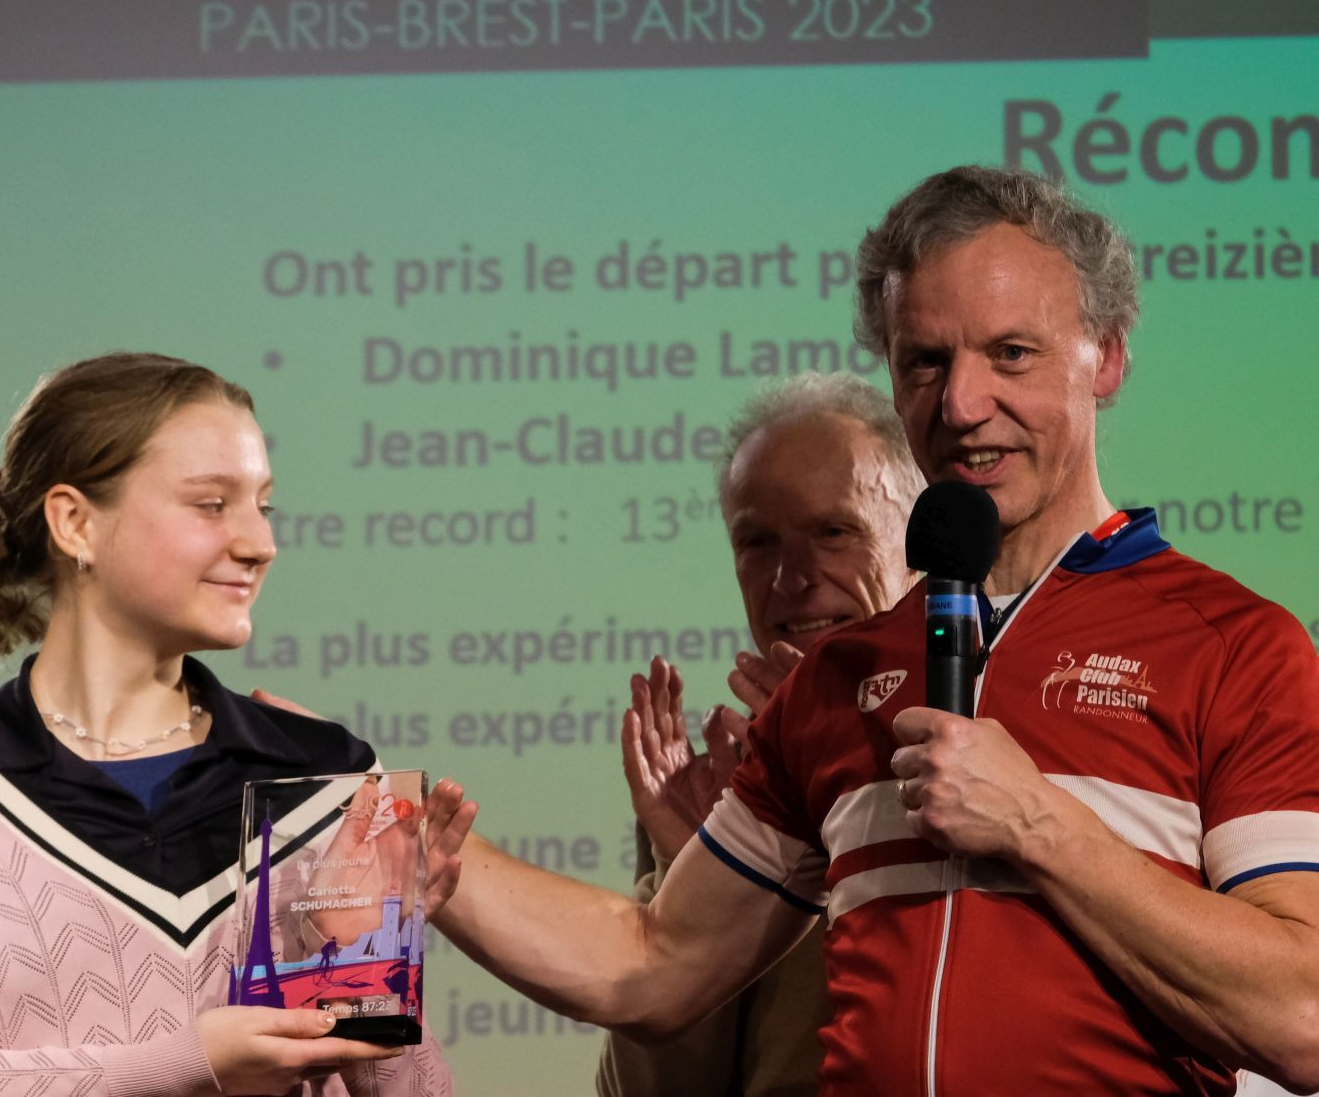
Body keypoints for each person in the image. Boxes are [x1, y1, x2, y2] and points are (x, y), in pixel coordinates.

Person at [436, 167, 1319, 1096]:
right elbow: (649, 965)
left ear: (1106, 358)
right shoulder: (841, 675)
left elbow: (1302, 1019)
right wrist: (395, 823)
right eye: (924, 362)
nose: (962, 404)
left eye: (1011, 354)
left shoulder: (1233, 646)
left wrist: (1040, 828)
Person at [0, 351, 475, 1097]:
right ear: (75, 523)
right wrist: (187, 1063)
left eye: (263, 507)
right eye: (212, 504)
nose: (260, 544)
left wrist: (358, 962)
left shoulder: (328, 782)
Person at [597, 373, 922, 1097]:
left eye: (832, 531)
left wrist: (845, 778)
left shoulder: (992, 728)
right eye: (758, 542)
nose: (790, 578)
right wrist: (687, 876)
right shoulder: (729, 785)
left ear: (918, 540)